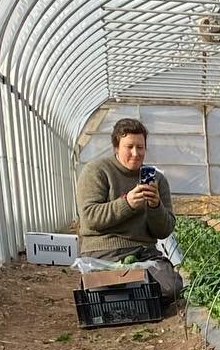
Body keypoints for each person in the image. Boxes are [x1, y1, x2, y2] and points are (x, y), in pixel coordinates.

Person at [75, 118, 183, 303]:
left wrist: (155, 206)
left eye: (140, 147)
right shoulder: (96, 171)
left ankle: (127, 293)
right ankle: (123, 291)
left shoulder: (157, 180)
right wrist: (127, 203)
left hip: (143, 252)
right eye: (129, 147)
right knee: (103, 290)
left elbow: (164, 230)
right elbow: (90, 217)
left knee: (171, 288)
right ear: (116, 147)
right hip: (104, 253)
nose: (135, 153)